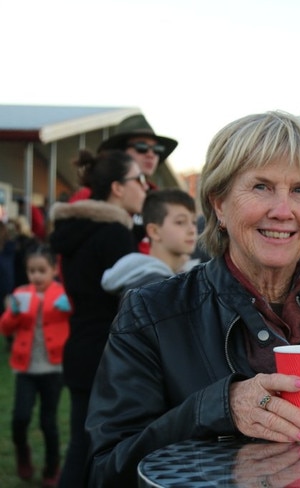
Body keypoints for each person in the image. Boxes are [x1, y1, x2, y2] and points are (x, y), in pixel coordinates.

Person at [85, 111, 300, 486]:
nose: (282, 211)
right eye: (262, 187)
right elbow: (106, 471)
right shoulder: (151, 315)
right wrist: (217, 409)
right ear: (219, 204)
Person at [49, 149, 148, 487]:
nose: (146, 187)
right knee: (96, 455)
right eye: (139, 179)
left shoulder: (76, 230)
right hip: (106, 355)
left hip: (79, 347)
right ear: (118, 188)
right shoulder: (114, 234)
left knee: (80, 446)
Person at [0, 244, 70, 487]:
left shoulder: (63, 294)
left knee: (48, 422)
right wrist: (13, 313)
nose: (36, 276)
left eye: (42, 270)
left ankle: (52, 468)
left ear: (54, 269)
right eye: (32, 271)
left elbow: (75, 321)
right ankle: (23, 454)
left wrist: (69, 307)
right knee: (20, 418)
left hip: (53, 369)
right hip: (26, 368)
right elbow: (6, 329)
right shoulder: (20, 294)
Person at [101, 188, 198, 295]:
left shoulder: (167, 280)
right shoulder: (153, 288)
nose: (192, 229)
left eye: (194, 222)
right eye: (180, 222)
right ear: (154, 231)